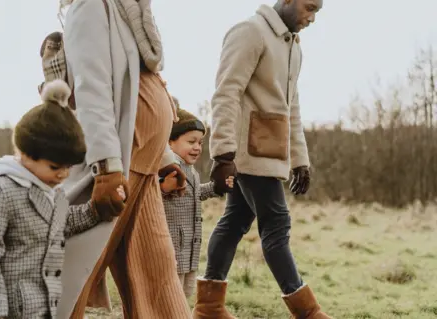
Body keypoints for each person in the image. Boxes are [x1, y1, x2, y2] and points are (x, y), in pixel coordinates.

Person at [48, 0, 192, 318]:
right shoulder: (91, 6)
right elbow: (91, 88)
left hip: (143, 162)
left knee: (157, 270)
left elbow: (140, 88)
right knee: (74, 272)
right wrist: (106, 167)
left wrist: (166, 157)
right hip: (117, 165)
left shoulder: (128, 15)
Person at [192, 1, 332, 318]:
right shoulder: (250, 32)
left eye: (317, 12)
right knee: (277, 226)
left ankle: (209, 307)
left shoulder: (294, 47)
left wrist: (300, 159)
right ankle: (307, 313)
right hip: (246, 152)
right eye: (308, 8)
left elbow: (290, 107)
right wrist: (223, 153)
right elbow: (226, 92)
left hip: (272, 152)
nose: (311, 18)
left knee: (233, 223)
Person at [0, 80, 122, 319]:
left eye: (68, 168)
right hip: (9, 310)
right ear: (27, 153)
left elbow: (65, 223)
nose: (62, 174)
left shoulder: (55, 194)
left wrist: (95, 210)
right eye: (54, 166)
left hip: (44, 306)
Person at [160, 102, 234, 298]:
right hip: (173, 251)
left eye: (200, 143)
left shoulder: (190, 170)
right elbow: (151, 195)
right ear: (170, 142)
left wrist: (215, 187)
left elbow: (193, 194)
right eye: (191, 141)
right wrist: (163, 187)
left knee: (183, 298)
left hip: (189, 251)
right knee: (169, 299)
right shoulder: (167, 168)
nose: (197, 147)